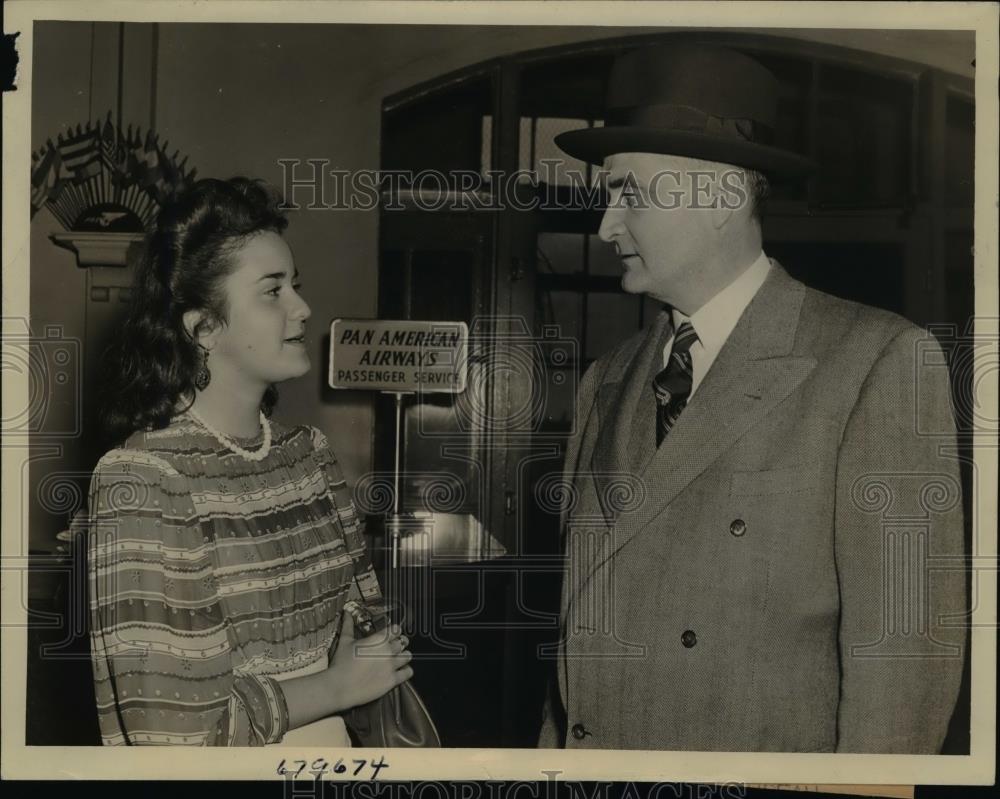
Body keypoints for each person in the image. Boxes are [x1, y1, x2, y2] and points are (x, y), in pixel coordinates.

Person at [537, 44, 966, 753]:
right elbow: (572, 664)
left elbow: (902, 666)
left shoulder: (875, 362)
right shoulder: (604, 380)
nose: (608, 225)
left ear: (724, 199)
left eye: (630, 193)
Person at [87, 177, 413, 746]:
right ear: (203, 328)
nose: (303, 307)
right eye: (273, 291)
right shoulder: (144, 477)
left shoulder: (307, 455)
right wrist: (338, 687)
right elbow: (172, 737)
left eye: (296, 285)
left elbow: (367, 638)